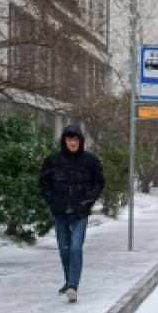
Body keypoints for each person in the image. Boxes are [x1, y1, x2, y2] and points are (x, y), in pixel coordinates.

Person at [39, 124, 105, 303]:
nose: (73, 143)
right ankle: (69, 280)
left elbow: (99, 182)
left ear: (80, 141)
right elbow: (44, 182)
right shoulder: (53, 160)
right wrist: (52, 201)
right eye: (69, 139)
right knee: (64, 249)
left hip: (80, 211)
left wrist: (88, 200)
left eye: (75, 139)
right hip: (60, 210)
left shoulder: (90, 160)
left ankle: (72, 286)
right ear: (64, 141)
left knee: (76, 247)